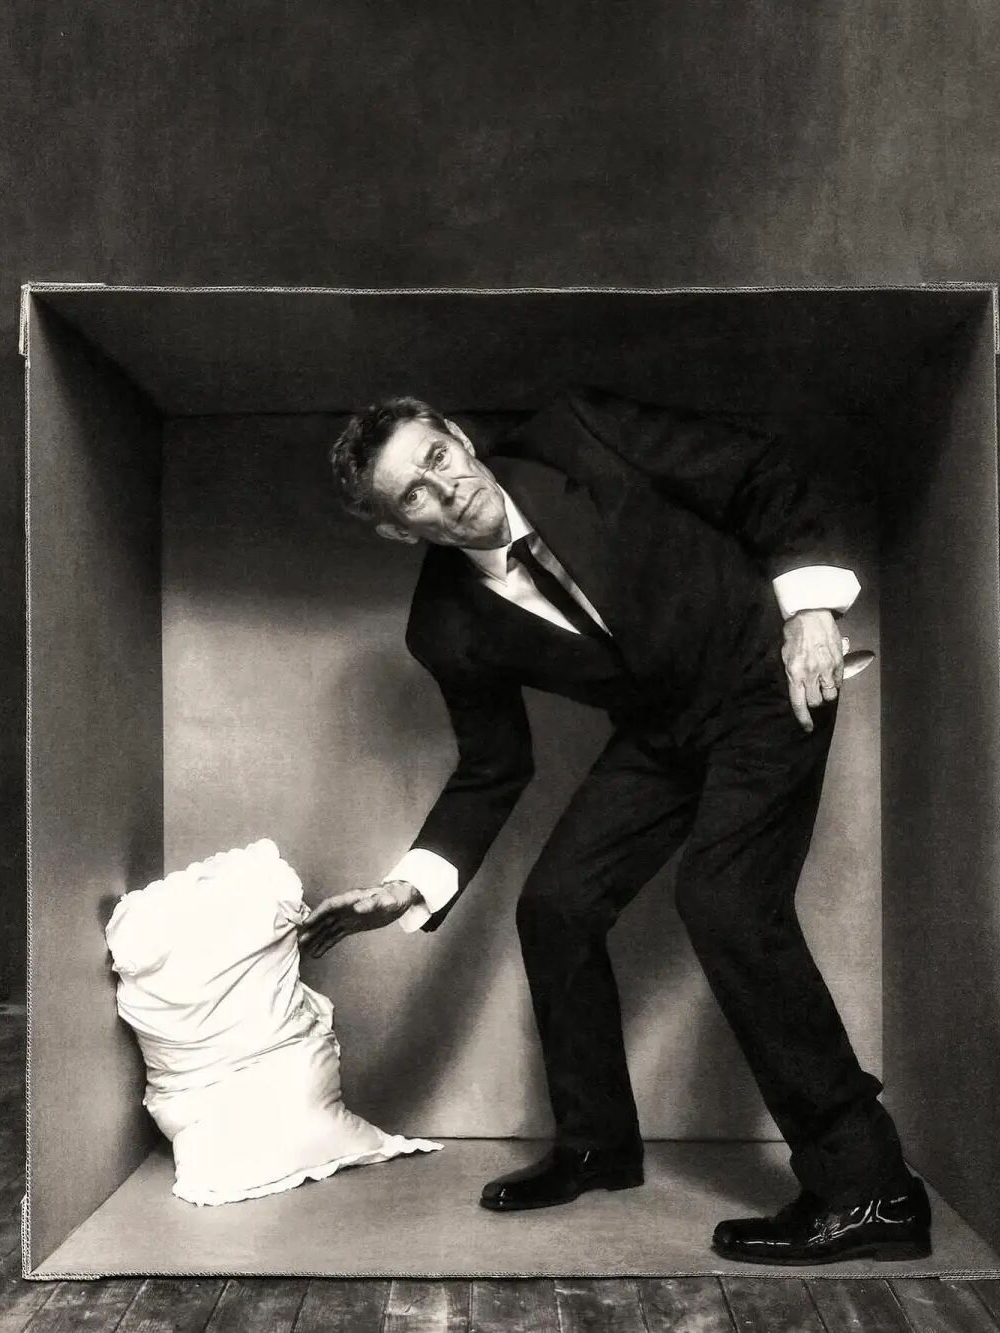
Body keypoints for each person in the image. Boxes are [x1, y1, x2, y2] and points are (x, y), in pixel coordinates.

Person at [299, 385, 932, 1264]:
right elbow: (492, 768)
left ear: (460, 435)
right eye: (414, 494)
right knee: (554, 906)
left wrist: (810, 609)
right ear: (398, 530)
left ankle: (872, 1187)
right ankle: (597, 1146)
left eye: (437, 457)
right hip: (662, 731)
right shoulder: (442, 625)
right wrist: (410, 884)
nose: (446, 489)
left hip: (766, 674)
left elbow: (755, 470)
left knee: (725, 901)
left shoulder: (576, 434)